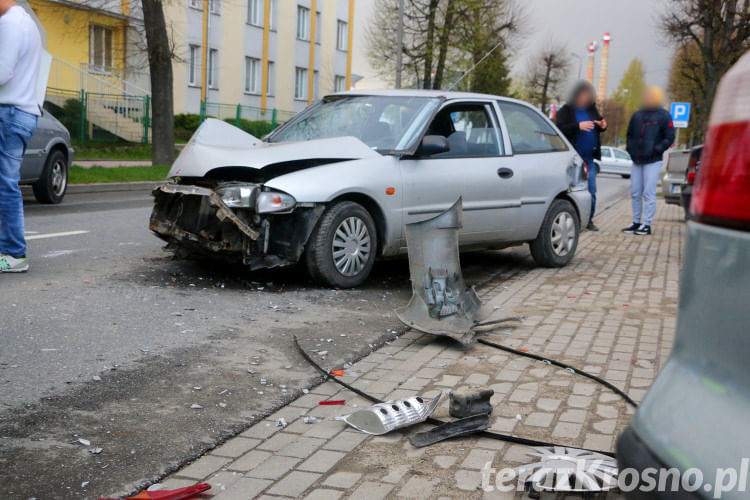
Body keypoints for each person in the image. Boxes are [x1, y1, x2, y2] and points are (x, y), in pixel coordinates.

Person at [0, 0, 42, 272]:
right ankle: (12, 251)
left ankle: (13, 254)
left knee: (5, 185)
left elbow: (2, 73)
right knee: (6, 184)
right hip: (21, 111)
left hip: (9, 112)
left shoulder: (10, 24)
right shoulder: (26, 22)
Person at [622, 86, 675, 236]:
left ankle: (647, 224)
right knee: (635, 192)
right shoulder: (637, 115)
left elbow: (669, 137)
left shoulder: (664, 116)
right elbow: (630, 135)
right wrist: (630, 150)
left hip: (653, 160)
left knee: (649, 193)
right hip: (637, 160)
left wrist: (656, 149)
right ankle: (636, 222)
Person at [555, 81, 607, 232]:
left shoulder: (592, 109)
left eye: (588, 96)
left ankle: (588, 220)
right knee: (569, 190)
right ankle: (570, 220)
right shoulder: (567, 110)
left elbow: (599, 125)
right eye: (583, 95)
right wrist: (578, 126)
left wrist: (603, 125)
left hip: (589, 158)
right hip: (572, 159)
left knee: (591, 190)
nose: (586, 98)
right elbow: (559, 129)